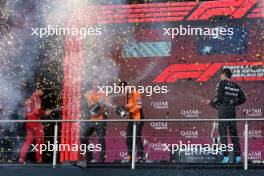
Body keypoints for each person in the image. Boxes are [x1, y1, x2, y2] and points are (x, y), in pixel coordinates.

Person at [206, 68, 246, 164]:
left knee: (223, 134)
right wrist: (233, 103)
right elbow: (243, 99)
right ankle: (238, 157)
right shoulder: (235, 85)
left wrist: (211, 102)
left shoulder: (222, 83)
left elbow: (218, 97)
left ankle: (226, 158)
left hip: (223, 111)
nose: (220, 77)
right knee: (233, 134)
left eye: (221, 75)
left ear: (224, 75)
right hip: (232, 111)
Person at [19, 88, 51, 163]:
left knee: (27, 141)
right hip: (35, 123)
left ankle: (21, 158)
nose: (42, 93)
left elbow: (26, 111)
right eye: (42, 91)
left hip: (28, 122)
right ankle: (39, 159)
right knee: (39, 141)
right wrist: (45, 113)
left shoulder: (29, 99)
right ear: (37, 90)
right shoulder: (37, 98)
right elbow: (37, 112)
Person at [119, 81, 144, 163]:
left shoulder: (136, 92)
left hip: (138, 118)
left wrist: (130, 111)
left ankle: (140, 158)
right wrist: (123, 111)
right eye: (121, 90)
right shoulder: (127, 97)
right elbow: (128, 109)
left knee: (137, 138)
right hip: (131, 118)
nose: (123, 91)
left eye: (123, 89)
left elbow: (139, 105)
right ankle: (130, 158)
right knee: (128, 140)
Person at [82, 88, 107, 163]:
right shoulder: (87, 95)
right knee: (83, 137)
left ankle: (101, 160)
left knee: (101, 139)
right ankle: (89, 158)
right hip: (91, 121)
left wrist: (97, 107)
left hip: (100, 121)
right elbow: (88, 107)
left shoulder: (102, 94)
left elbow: (104, 108)